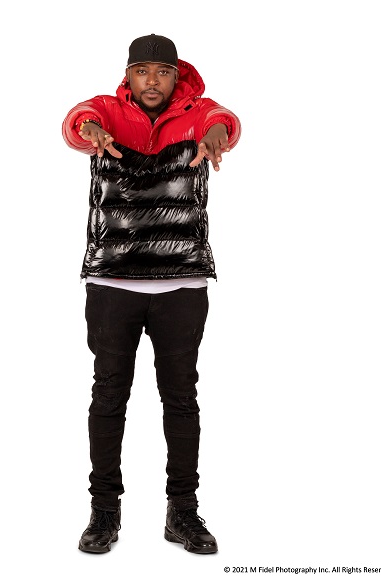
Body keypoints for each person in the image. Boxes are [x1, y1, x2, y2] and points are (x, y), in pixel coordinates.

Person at [62, 33, 241, 555]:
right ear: (129, 76)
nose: (152, 81)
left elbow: (224, 120)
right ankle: (103, 512)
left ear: (176, 76)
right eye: (142, 71)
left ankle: (182, 511)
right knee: (108, 396)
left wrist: (216, 134)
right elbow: (77, 120)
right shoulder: (106, 111)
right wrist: (89, 128)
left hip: (182, 282)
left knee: (181, 398)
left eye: (162, 72)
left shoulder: (196, 113)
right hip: (112, 282)